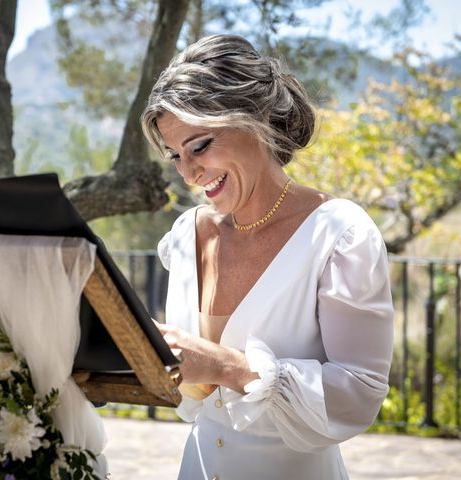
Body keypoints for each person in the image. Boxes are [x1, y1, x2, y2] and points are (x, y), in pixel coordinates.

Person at [141, 34, 393, 480]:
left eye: (199, 146)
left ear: (255, 119)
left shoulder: (340, 234)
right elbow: (189, 385)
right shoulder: (187, 234)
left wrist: (230, 366)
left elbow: (360, 392)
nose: (188, 172)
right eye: (175, 155)